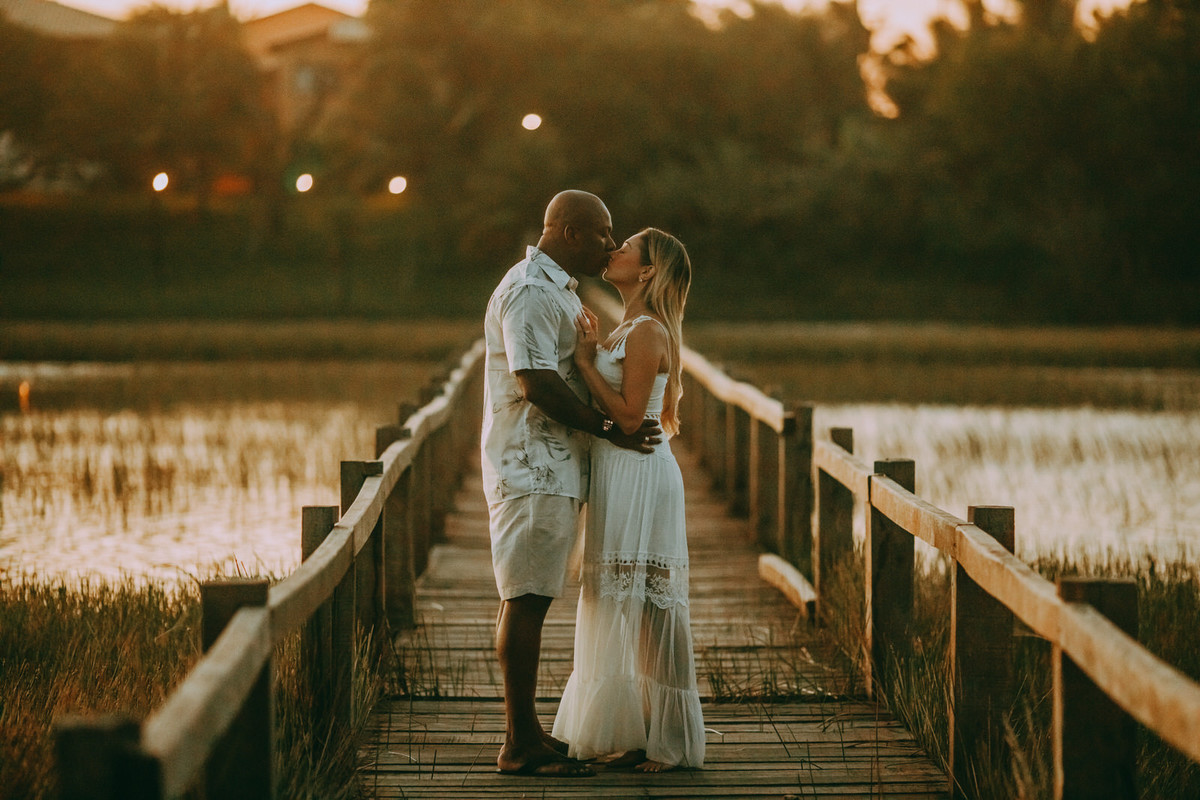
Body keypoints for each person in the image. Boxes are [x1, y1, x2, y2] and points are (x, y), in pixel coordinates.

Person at [481, 190, 661, 777]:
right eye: (604, 234)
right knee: (526, 598)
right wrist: (611, 428)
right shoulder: (531, 291)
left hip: (553, 465)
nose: (612, 244)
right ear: (572, 233)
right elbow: (534, 380)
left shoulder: (557, 288)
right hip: (531, 466)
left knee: (530, 595)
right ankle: (518, 744)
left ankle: (527, 731)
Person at [552, 228, 705, 772]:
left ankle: (671, 742)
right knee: (622, 603)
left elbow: (632, 417)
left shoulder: (645, 332)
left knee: (654, 609)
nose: (613, 250)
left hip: (641, 471)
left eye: (627, 247)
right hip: (618, 472)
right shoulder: (627, 327)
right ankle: (637, 731)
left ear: (645, 272)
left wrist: (588, 363)